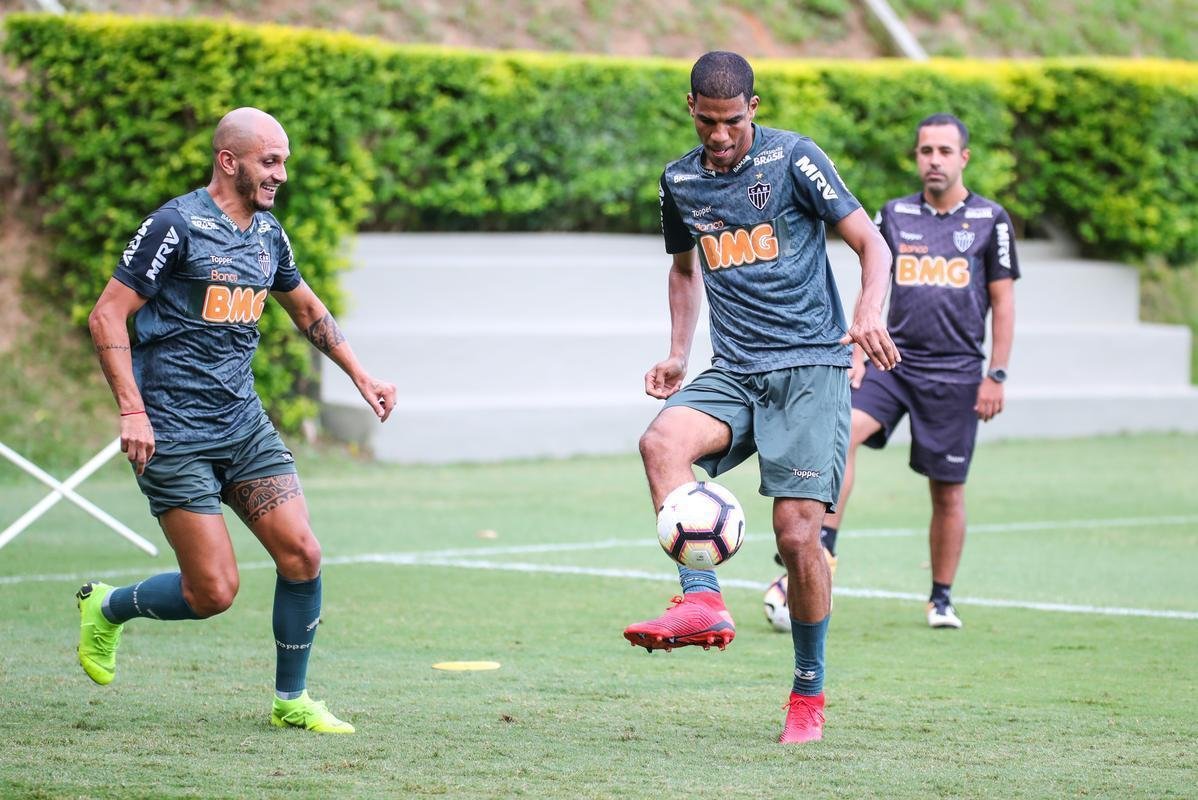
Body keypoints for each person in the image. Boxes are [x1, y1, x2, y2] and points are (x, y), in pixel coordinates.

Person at [79, 107, 397, 734]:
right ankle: (108, 608)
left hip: (243, 427)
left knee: (303, 555)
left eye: (283, 162)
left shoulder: (267, 235)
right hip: (173, 433)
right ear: (230, 161)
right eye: (269, 161)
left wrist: (362, 375)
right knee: (212, 594)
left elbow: (305, 308)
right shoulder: (176, 224)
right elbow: (106, 316)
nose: (280, 174)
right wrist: (132, 410)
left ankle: (291, 700)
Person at [621, 52, 899, 744]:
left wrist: (869, 313)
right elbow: (684, 272)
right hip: (737, 369)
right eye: (709, 122)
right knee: (661, 442)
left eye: (733, 121)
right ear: (691, 108)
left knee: (798, 535)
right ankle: (703, 602)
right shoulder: (680, 179)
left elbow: (873, 244)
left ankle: (808, 693)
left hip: (811, 367)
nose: (720, 136)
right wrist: (679, 352)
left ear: (755, 106)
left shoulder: (795, 160)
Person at [818, 112, 1019, 629]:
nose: (934, 160)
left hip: (955, 374)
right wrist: (863, 343)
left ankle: (941, 597)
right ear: (916, 157)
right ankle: (823, 549)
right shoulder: (894, 214)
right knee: (843, 434)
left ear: (963, 158)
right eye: (926, 151)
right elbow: (874, 279)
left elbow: (1004, 301)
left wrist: (995, 374)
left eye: (944, 151)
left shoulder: (991, 220)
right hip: (893, 360)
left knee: (946, 488)